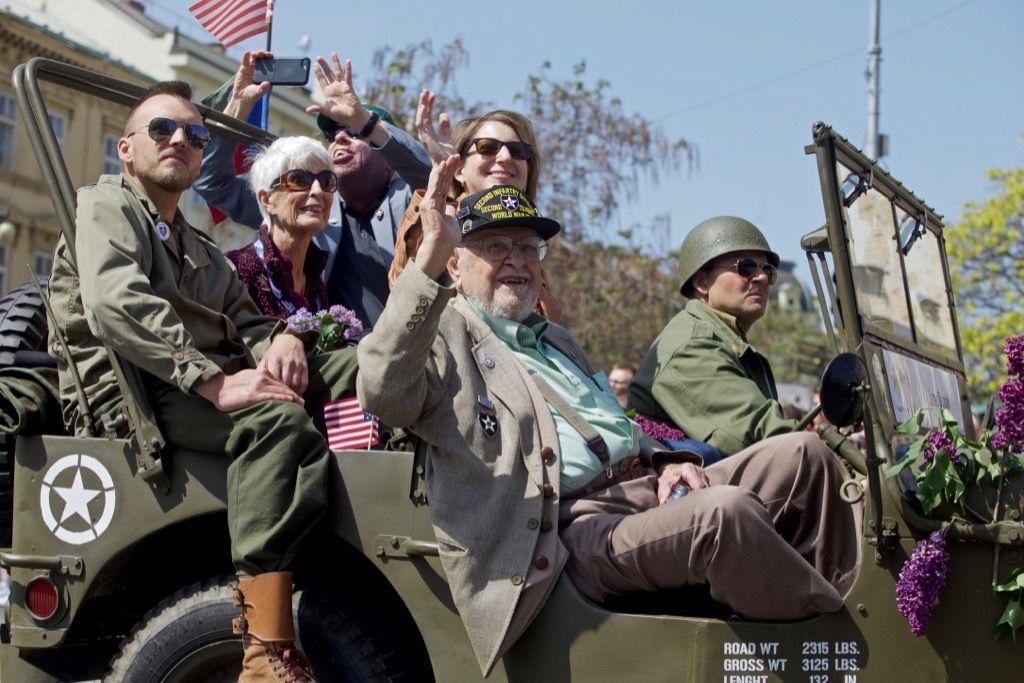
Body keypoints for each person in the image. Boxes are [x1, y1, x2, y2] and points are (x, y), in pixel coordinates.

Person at [357, 164, 858, 676]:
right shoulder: (444, 337)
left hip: (641, 489)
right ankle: (845, 647)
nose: (517, 260)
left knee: (805, 456)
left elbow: (616, 429)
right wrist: (429, 263)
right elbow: (381, 389)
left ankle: (834, 602)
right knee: (721, 516)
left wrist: (666, 460)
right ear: (457, 266)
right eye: (495, 247)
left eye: (528, 248)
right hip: (569, 529)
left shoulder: (554, 339)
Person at [47, 80, 359, 681]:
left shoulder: (195, 244)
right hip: (138, 394)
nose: (180, 142)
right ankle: (264, 647)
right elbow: (116, 303)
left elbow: (247, 319)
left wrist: (287, 339)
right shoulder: (106, 207)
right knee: (275, 420)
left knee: (350, 365)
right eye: (162, 130)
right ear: (126, 148)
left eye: (194, 135)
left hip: (189, 385)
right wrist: (213, 382)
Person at [193, 51, 431, 326]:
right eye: (332, 134)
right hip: (334, 359)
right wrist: (237, 106)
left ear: (388, 159)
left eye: (355, 132)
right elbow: (211, 182)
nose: (341, 137)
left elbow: (438, 182)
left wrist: (365, 120)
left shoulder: (409, 198)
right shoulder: (305, 203)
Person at [630, 216, 798, 458]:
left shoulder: (724, 340)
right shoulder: (692, 345)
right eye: (746, 267)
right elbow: (760, 436)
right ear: (702, 282)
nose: (761, 277)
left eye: (767, 270)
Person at [389, 97, 564, 320]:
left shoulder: (534, 232)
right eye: (487, 148)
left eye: (517, 151)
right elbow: (402, 302)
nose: (505, 157)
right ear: (460, 169)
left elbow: (550, 319)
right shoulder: (442, 221)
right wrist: (443, 173)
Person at [226, 136, 334, 318]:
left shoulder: (316, 276)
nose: (317, 190)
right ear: (267, 200)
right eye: (299, 180)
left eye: (326, 181)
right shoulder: (235, 271)